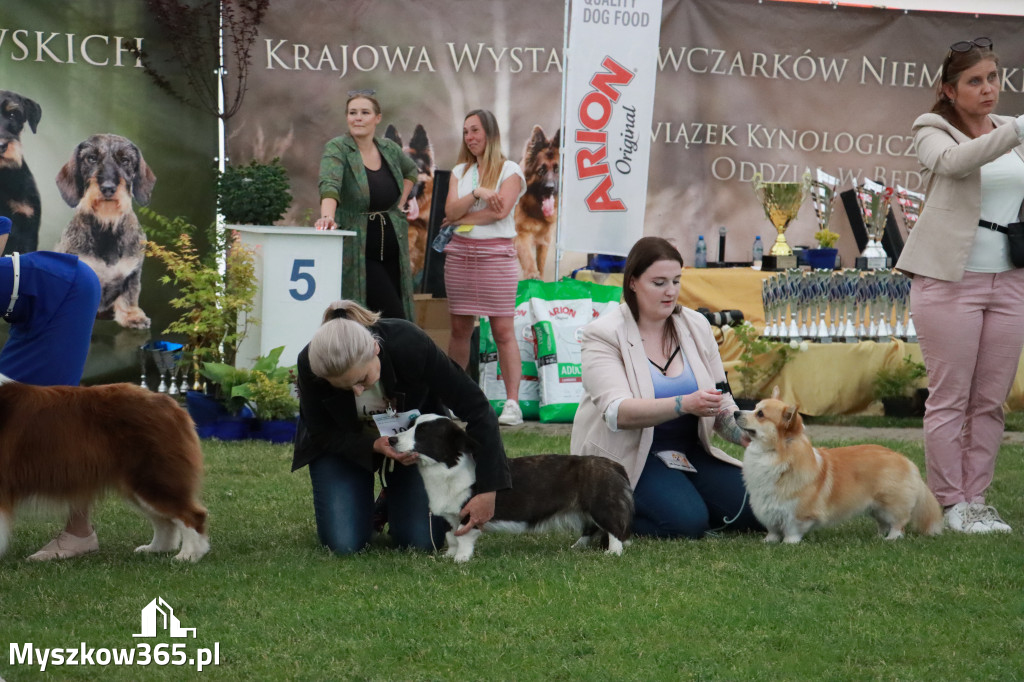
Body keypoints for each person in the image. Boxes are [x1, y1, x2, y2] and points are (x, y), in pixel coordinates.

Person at [895, 37, 1024, 534]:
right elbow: (954, 163)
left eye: (993, 78)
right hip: (951, 280)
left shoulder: (1010, 130)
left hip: (1010, 280)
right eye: (975, 81)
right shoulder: (932, 129)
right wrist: (1014, 131)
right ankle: (950, 503)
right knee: (951, 398)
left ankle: (978, 500)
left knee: (991, 401)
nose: (988, 88)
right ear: (949, 90)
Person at [570, 237, 762, 539]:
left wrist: (750, 436)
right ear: (633, 282)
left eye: (676, 280)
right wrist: (682, 404)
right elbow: (616, 413)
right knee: (686, 524)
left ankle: (687, 499)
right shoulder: (603, 334)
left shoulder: (696, 325)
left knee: (758, 508)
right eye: (659, 282)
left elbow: (721, 400)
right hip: (627, 457)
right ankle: (600, 516)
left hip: (687, 450)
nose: (671, 291)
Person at [292, 299, 512, 555]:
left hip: (414, 443)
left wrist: (488, 489)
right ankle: (373, 505)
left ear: (375, 348)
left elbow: (477, 409)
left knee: (419, 542)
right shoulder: (312, 364)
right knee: (344, 545)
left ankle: (392, 497)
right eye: (344, 387)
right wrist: (374, 445)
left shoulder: (409, 343)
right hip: (345, 446)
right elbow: (321, 433)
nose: (358, 391)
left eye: (362, 379)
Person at [0, 215, 102, 559]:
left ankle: (79, 532)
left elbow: (2, 222)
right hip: (32, 305)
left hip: (66, 289)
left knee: (52, 413)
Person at [441, 109, 526, 426]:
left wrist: (460, 218)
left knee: (503, 330)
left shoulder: (510, 169)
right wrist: (476, 193)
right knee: (460, 330)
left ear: (489, 133)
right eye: (465, 132)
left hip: (496, 256)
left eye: (475, 131)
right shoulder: (460, 171)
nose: (470, 137)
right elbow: (448, 207)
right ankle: (452, 399)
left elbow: (500, 212)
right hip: (460, 255)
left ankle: (512, 404)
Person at [315, 91, 419, 320]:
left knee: (393, 320)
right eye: (352, 113)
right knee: (389, 315)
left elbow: (411, 170)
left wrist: (400, 202)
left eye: (364, 112)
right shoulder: (338, 148)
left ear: (377, 118)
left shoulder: (388, 148)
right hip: (360, 250)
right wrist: (327, 217)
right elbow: (329, 184)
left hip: (394, 247)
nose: (358, 118)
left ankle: (388, 356)